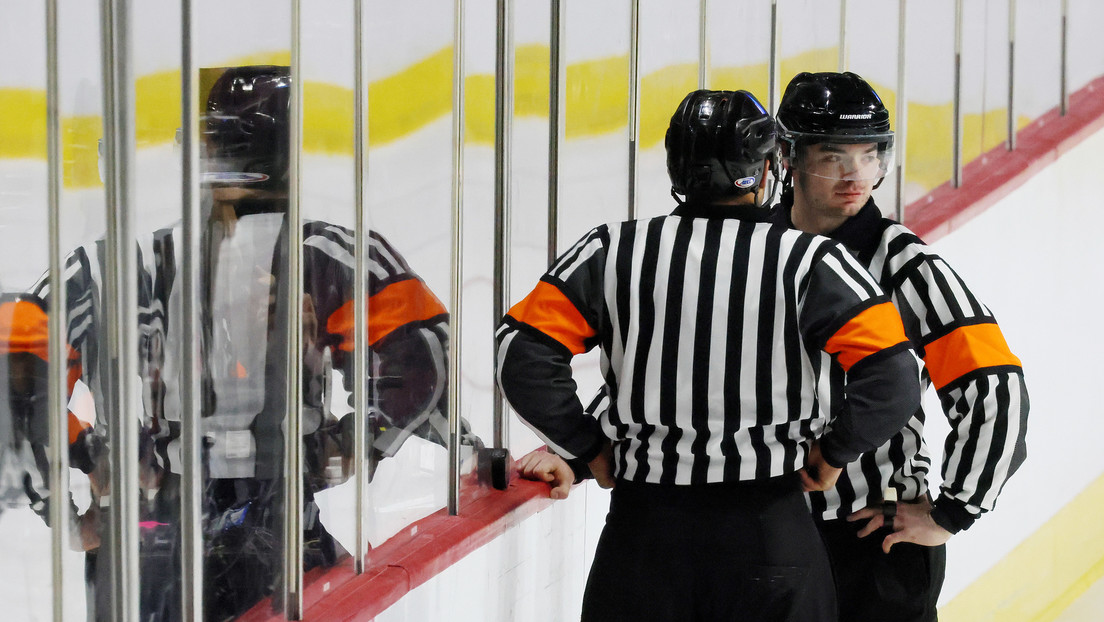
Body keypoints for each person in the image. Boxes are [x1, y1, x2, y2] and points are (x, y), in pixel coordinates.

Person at [19, 64, 481, 621]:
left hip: (147, 541)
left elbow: (16, 371)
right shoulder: (329, 255)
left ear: (205, 148)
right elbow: (425, 358)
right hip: (278, 536)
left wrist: (75, 489)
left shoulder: (108, 265)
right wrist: (349, 449)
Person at [496, 89, 923, 622]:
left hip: (644, 535)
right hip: (770, 532)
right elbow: (895, 376)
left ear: (677, 166)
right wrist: (834, 453)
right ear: (767, 170)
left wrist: (589, 447)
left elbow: (520, 352)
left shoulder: (613, 250)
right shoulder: (811, 260)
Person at [770, 71, 1030, 622]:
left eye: (870, 155)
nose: (855, 175)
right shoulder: (753, 253)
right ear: (788, 156)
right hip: (765, 538)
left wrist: (952, 513)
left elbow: (994, 387)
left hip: (874, 545)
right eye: (833, 155)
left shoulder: (904, 265)